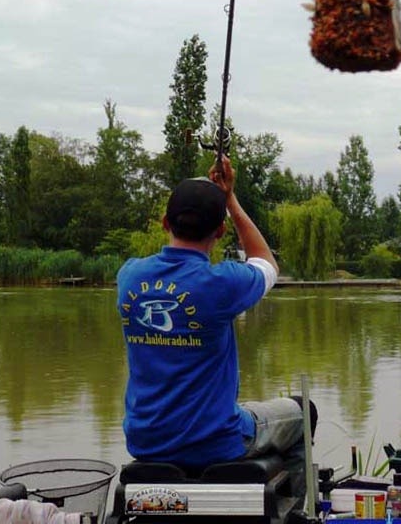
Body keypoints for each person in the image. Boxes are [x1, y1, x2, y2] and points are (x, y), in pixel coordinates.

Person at [117, 155, 314, 492]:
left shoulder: (130, 276)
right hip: (216, 441)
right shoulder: (221, 283)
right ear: (220, 231)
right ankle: (294, 510)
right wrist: (231, 200)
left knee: (243, 410)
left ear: (165, 222)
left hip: (145, 440)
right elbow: (265, 263)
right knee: (302, 412)